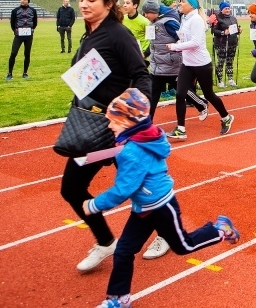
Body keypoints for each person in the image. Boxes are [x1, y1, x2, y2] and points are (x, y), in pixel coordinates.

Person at [84, 88, 239, 308]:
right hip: (142, 209)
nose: (110, 125)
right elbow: (121, 153)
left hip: (162, 207)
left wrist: (94, 204)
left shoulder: (133, 151)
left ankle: (220, 229)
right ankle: (119, 299)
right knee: (124, 251)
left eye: (114, 122)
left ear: (129, 124)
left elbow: (122, 190)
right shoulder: (138, 140)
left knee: (183, 246)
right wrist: (92, 156)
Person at [60, 0, 152, 273]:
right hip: (91, 124)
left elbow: (142, 76)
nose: (83, 4)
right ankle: (105, 241)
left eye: (91, 0)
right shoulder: (89, 32)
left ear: (108, 3)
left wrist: (129, 117)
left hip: (116, 129)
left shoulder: (118, 35)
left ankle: (164, 232)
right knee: (73, 189)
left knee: (143, 188)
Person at [166, 0, 235, 140]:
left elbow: (196, 43)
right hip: (188, 64)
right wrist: (177, 44)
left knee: (209, 94)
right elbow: (185, 39)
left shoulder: (196, 19)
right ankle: (181, 129)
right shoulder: (185, 19)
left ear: (192, 5)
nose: (180, 4)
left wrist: (175, 47)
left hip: (201, 64)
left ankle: (226, 117)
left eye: (183, 2)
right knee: (179, 94)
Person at [142, 0, 207, 121]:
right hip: (157, 66)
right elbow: (154, 44)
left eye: (147, 13)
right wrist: (145, 54)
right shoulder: (153, 23)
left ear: (155, 11)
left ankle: (201, 103)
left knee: (182, 90)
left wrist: (175, 49)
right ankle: (146, 123)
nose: (146, 16)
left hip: (171, 64)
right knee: (152, 95)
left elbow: (183, 39)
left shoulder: (169, 23)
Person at [6, 0, 38, 80]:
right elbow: (12, 23)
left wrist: (30, 29)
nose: (22, 1)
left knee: (27, 54)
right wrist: (16, 31)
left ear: (28, 1)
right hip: (18, 35)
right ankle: (9, 73)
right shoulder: (15, 11)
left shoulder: (33, 11)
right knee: (13, 53)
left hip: (28, 35)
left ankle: (25, 73)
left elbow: (35, 23)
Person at [212, 1, 241, 87]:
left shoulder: (233, 18)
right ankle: (220, 80)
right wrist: (223, 32)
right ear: (221, 9)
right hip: (221, 43)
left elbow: (235, 28)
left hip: (233, 42)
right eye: (226, 8)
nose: (228, 10)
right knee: (221, 62)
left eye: (228, 8)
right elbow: (214, 30)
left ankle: (230, 79)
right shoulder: (217, 18)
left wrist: (239, 30)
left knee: (230, 62)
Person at [121, 0, 151, 64]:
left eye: (127, 3)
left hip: (142, 59)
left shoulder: (146, 22)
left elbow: (153, 41)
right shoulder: (122, 19)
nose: (124, 5)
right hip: (127, 56)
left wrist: (145, 54)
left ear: (135, 5)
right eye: (124, 3)